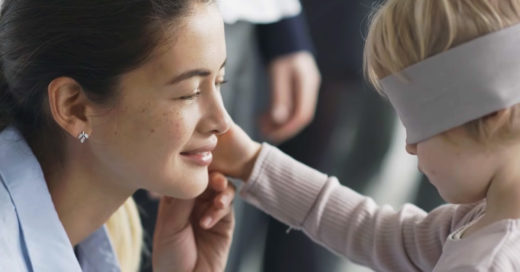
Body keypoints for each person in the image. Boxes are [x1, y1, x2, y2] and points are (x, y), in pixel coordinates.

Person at [211, 0, 520, 270]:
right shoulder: (480, 222)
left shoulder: (486, 260)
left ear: (490, 115)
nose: (410, 146)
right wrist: (250, 162)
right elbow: (370, 230)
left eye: (421, 128)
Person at [0, 0, 236, 271]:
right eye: (189, 93)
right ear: (73, 107)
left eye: (219, 82)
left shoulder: (102, 240)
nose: (222, 122)